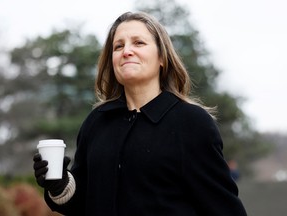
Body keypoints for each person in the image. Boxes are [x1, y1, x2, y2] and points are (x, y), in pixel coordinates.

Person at [33, 11, 247, 216]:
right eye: (118, 46)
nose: (126, 51)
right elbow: (82, 204)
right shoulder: (96, 122)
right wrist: (60, 184)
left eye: (139, 43)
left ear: (162, 57)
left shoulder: (192, 123)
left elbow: (223, 209)